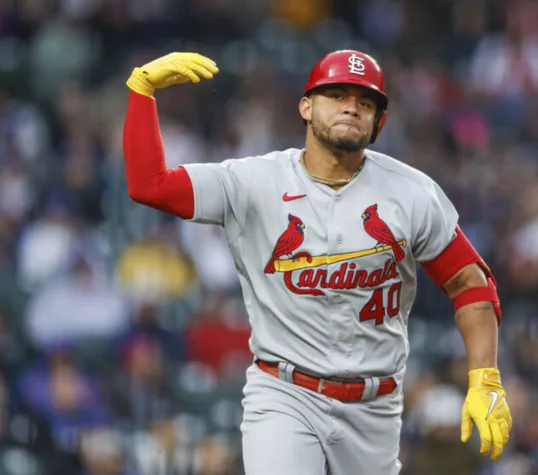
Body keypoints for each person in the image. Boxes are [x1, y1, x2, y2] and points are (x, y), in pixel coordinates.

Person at [122, 49, 512, 475]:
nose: (351, 107)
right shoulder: (253, 181)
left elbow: (469, 282)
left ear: (379, 122)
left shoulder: (412, 192)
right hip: (285, 392)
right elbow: (150, 185)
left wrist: (484, 376)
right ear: (306, 106)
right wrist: (142, 91)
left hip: (375, 405)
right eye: (337, 95)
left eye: (366, 102)